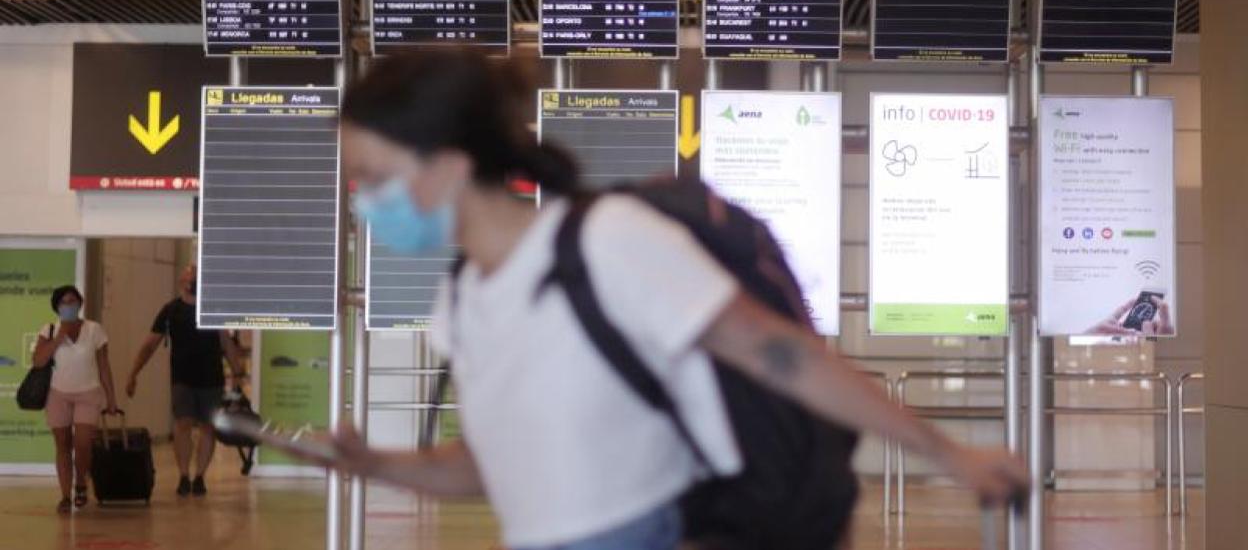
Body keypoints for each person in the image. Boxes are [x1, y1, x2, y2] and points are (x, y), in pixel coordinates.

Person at [314, 52, 1028, 550]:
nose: (363, 202)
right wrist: (379, 465)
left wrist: (950, 453)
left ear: (448, 168)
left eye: (373, 178)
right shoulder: (466, 296)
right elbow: (500, 465)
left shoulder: (605, 242)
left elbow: (783, 356)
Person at [125, 264, 244, 497]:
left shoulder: (212, 310)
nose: (194, 276)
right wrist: (133, 373)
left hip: (212, 379)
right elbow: (150, 345)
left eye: (198, 273)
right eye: (191, 272)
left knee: (208, 427)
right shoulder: (171, 311)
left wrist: (237, 373)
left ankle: (200, 476)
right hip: (182, 378)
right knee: (183, 424)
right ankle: (183, 475)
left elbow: (226, 344)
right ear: (182, 280)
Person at [31, 285, 119, 513]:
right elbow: (38, 361)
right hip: (57, 394)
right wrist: (58, 338)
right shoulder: (49, 330)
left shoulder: (94, 330)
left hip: (88, 393)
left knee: (83, 443)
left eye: (73, 301)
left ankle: (81, 482)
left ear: (80, 304)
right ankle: (64, 495)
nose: (69, 305)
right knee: (62, 445)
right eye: (64, 302)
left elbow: (104, 365)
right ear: (57, 306)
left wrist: (111, 398)